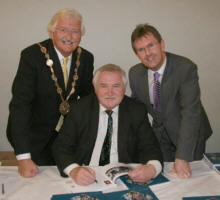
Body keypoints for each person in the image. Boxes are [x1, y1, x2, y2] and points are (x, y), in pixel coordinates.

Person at [6, 8, 94, 178]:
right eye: (63, 30)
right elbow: (20, 106)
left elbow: (86, 99)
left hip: (65, 140)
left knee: (67, 181)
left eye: (75, 31)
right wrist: (23, 157)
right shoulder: (31, 56)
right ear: (52, 32)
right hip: (34, 137)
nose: (69, 37)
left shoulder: (86, 58)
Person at [52, 64, 163, 186]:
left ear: (124, 88)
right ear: (95, 88)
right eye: (103, 86)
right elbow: (61, 147)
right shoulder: (79, 109)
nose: (110, 93)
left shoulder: (136, 110)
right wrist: (73, 170)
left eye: (116, 86)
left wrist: (152, 168)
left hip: (124, 178)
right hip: (86, 173)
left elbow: (150, 147)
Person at [129, 23, 212, 179]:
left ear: (162, 44)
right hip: (160, 133)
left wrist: (182, 157)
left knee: (187, 178)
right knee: (164, 177)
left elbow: (190, 114)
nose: (148, 53)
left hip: (190, 134)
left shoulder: (185, 68)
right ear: (137, 54)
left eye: (151, 45)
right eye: (141, 50)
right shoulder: (135, 73)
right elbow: (136, 109)